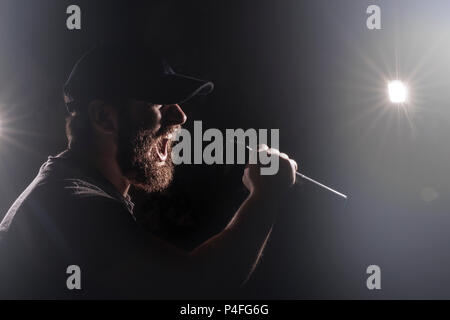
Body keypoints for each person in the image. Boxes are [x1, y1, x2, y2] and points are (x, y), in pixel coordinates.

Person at [0, 43, 297, 299]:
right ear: (105, 117)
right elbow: (197, 287)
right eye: (160, 102)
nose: (180, 115)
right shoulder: (71, 204)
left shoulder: (71, 189)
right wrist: (266, 194)